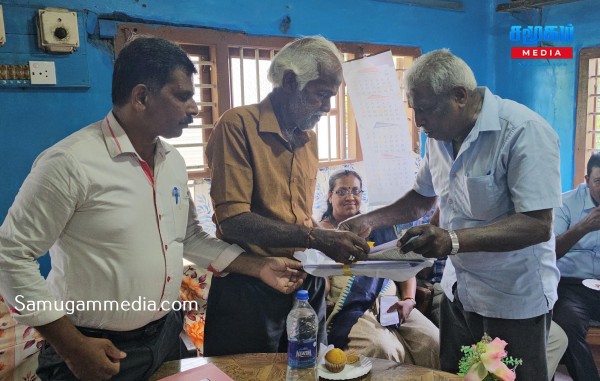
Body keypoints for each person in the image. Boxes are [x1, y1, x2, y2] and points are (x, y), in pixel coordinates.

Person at [0, 36, 306, 381]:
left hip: (164, 336)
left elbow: (187, 237)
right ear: (142, 97)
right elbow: (11, 255)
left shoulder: (172, 161)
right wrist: (71, 347)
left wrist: (259, 266)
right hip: (93, 346)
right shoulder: (70, 163)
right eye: (182, 96)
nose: (195, 107)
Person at [339, 49, 561, 380]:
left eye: (426, 110)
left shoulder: (522, 131)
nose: (419, 121)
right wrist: (369, 220)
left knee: (510, 378)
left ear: (460, 96)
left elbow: (537, 225)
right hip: (460, 292)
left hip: (512, 298)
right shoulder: (438, 139)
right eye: (414, 110)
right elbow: (420, 200)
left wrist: (452, 240)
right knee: (454, 376)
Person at [204, 36, 370, 356]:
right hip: (251, 287)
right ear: (291, 82)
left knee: (309, 370)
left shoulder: (308, 139)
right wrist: (316, 238)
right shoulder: (238, 125)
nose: (327, 107)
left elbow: (297, 216)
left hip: (306, 285)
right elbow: (234, 221)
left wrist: (331, 235)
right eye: (321, 95)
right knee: (249, 376)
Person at [321, 169, 440, 368]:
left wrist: (409, 300)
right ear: (330, 196)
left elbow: (403, 268)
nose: (350, 196)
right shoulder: (321, 233)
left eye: (356, 191)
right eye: (342, 191)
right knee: (383, 348)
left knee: (433, 341)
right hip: (350, 307)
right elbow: (318, 279)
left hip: (390, 303)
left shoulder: (377, 226)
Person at [553, 152, 600, 381]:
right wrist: (583, 228)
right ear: (586, 179)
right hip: (571, 285)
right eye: (599, 181)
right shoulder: (565, 203)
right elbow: (549, 251)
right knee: (567, 325)